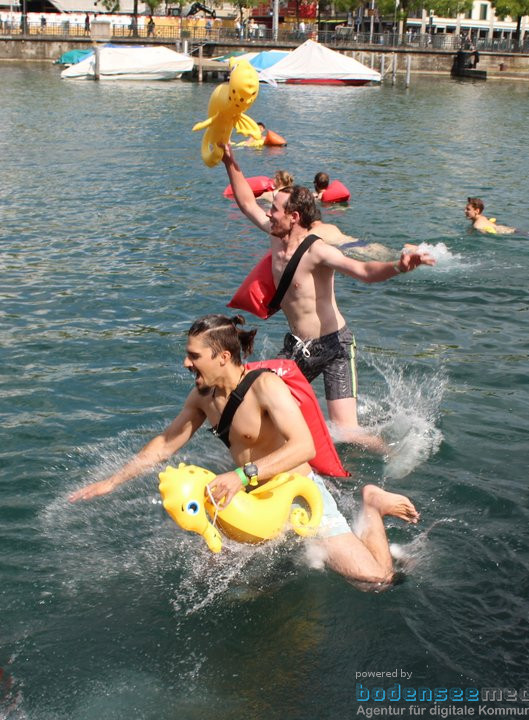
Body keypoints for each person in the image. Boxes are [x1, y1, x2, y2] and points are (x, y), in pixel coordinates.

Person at [68, 315, 420, 586]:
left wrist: (241, 475)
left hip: (298, 496)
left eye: (193, 356)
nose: (186, 364)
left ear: (222, 357)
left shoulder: (266, 386)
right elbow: (164, 444)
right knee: (216, 580)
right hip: (250, 499)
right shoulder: (202, 398)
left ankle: (372, 505)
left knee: (375, 581)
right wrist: (112, 482)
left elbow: (304, 445)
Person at [220, 144, 434, 445]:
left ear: (293, 217)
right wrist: (230, 161)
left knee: (347, 433)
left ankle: (395, 452)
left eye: (275, 210)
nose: (269, 213)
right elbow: (245, 202)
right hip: (299, 349)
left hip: (334, 347)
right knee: (255, 400)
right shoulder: (275, 235)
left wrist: (398, 267)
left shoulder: (318, 250)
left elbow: (363, 272)